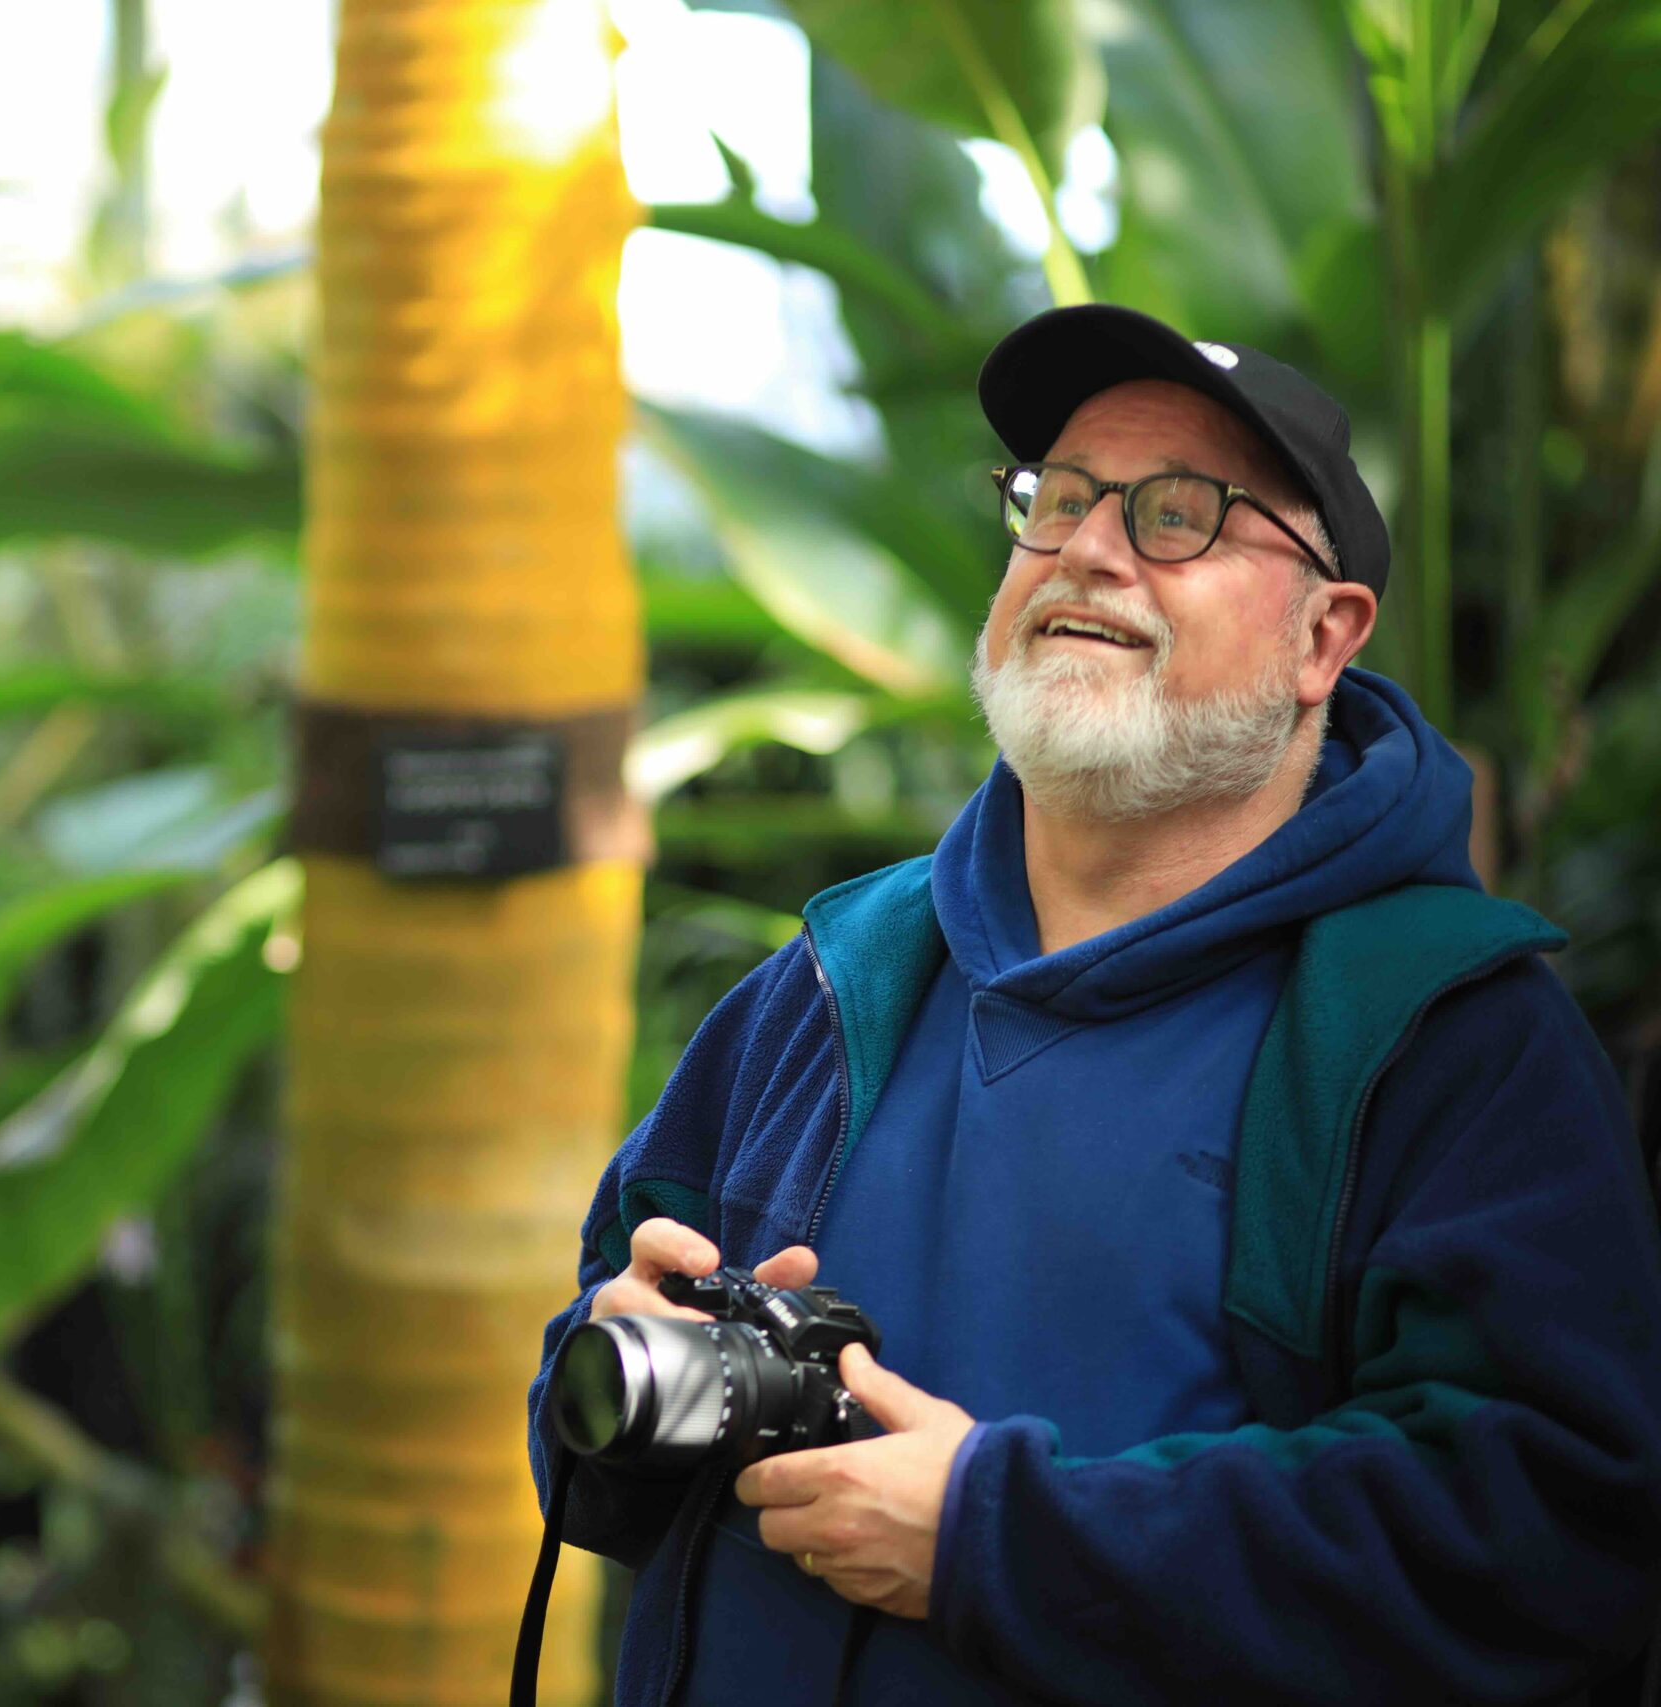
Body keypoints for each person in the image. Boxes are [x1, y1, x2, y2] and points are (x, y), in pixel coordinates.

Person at [526, 304, 1661, 1706]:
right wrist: (617, 1378)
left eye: (1182, 514)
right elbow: (590, 1437)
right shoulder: (826, 983)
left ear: (1325, 637)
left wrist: (997, 1538)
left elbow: (1551, 1538)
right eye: (1057, 499)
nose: (1089, 547)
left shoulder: (1441, 1036)